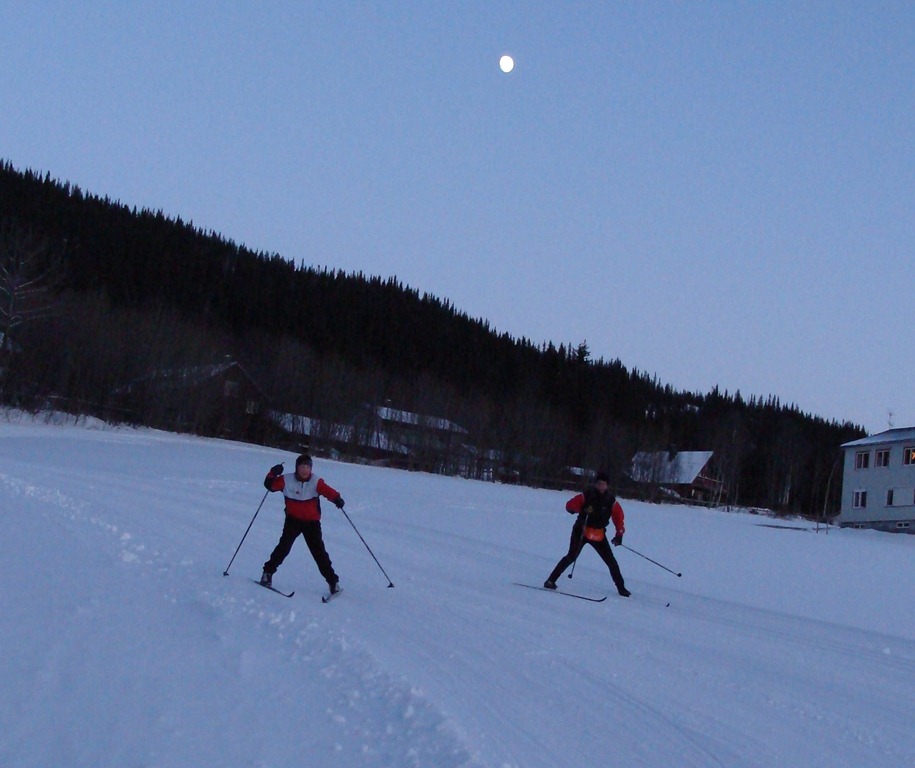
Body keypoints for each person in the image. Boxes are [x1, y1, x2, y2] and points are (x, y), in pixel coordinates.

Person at [260, 453, 345, 594]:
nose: (305, 470)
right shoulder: (286, 480)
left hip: (311, 523)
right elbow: (269, 486)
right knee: (283, 548)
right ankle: (267, 573)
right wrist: (273, 473)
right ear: (297, 468)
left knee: (319, 552)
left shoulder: (316, 481)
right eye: (302, 467)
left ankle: (333, 582)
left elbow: (328, 491)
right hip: (293, 521)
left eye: (308, 467)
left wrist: (337, 499)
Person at [544, 471, 630, 597]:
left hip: (599, 534)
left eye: (603, 484)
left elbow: (619, 518)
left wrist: (619, 534)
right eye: (599, 483)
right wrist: (580, 509)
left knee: (611, 561)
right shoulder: (586, 496)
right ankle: (550, 581)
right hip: (581, 531)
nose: (601, 486)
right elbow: (569, 506)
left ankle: (621, 588)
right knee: (571, 557)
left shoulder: (611, 501)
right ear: (595, 484)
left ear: (607, 486)